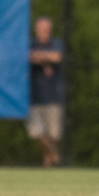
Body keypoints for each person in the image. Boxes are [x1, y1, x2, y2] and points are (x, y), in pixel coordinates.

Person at [27, 15, 64, 167]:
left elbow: (57, 57)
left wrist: (38, 58)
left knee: (53, 134)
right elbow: (27, 56)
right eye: (41, 29)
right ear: (36, 30)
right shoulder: (30, 44)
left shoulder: (55, 43)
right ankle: (54, 156)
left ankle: (48, 166)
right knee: (36, 132)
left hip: (53, 96)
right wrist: (45, 60)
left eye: (46, 29)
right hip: (34, 96)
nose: (43, 32)